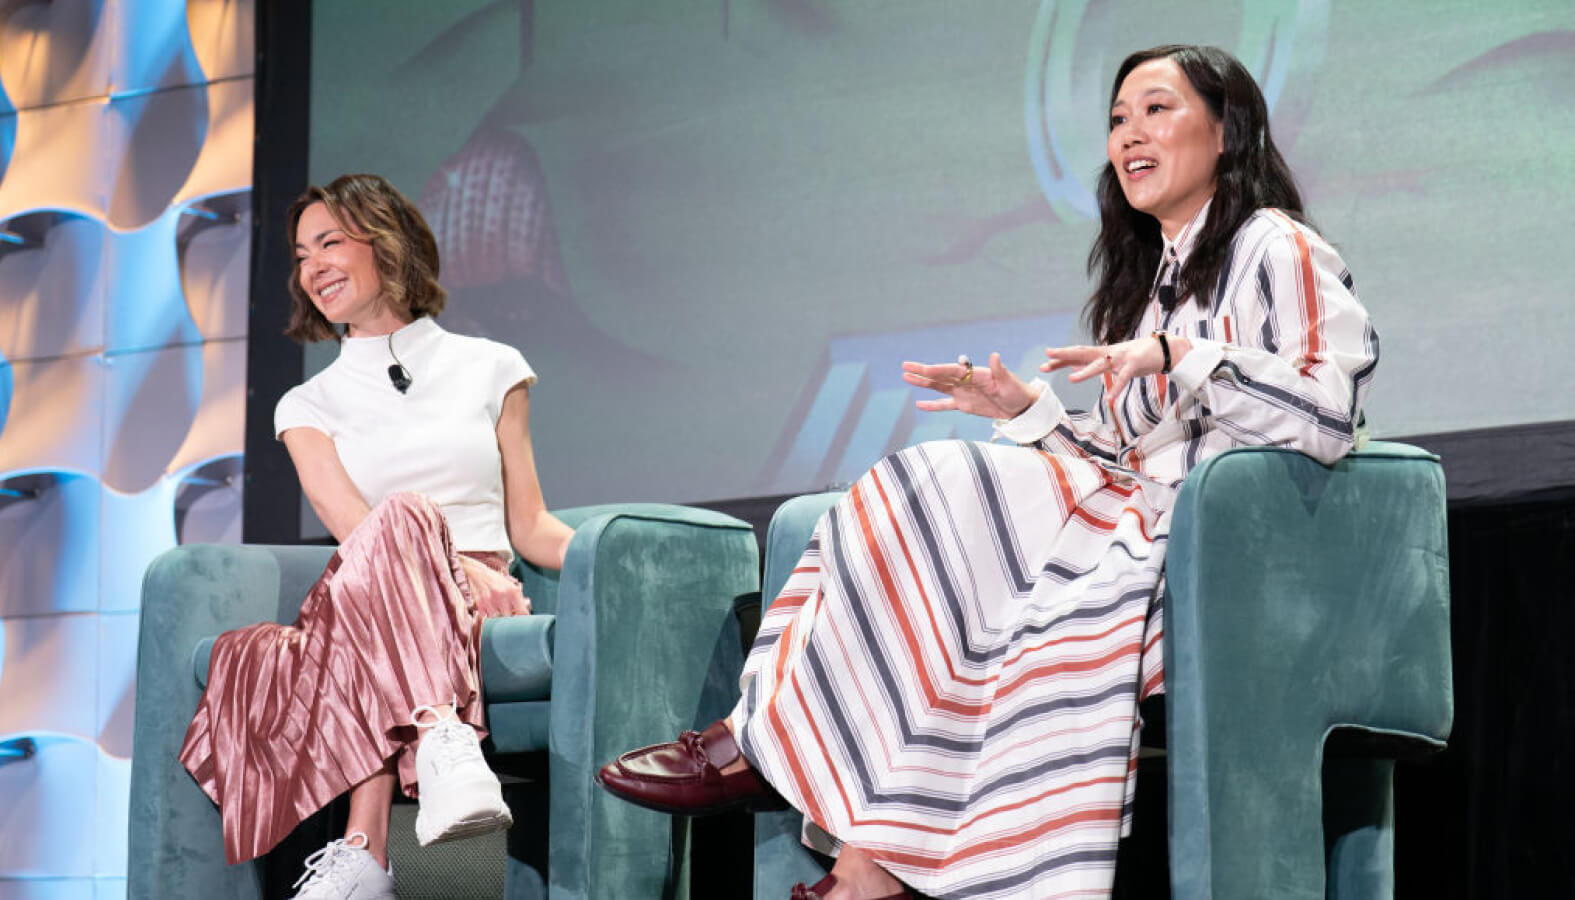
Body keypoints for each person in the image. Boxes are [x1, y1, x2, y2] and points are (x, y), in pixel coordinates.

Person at [596, 44, 1378, 900]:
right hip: (1138, 521)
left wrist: (1177, 354)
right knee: (917, 505)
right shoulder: (1151, 278)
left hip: (1221, 553)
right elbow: (1122, 460)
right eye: (1117, 119)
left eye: (1156, 109)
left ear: (1228, 131)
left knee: (951, 516)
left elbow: (1325, 406)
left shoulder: (1272, 245)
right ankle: (827, 811)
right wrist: (1025, 412)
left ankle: (794, 784)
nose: (1129, 136)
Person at [178, 173, 575, 900]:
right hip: (384, 587)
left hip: (472, 598)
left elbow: (532, 525)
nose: (313, 266)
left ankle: (364, 848)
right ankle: (439, 738)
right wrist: (451, 565)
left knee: (395, 531)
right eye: (301, 255)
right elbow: (358, 534)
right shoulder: (307, 404)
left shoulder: (492, 368)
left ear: (386, 244)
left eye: (329, 242)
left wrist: (610, 555)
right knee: (398, 519)